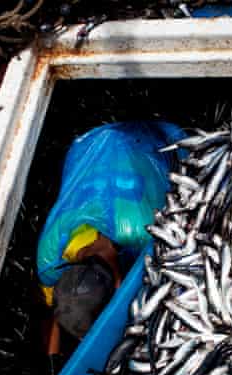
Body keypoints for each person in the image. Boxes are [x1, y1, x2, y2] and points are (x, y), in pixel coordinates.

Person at [37, 121, 185, 354]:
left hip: (151, 139)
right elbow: (57, 309)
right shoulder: (49, 260)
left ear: (118, 284)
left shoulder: (143, 231)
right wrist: (52, 362)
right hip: (85, 144)